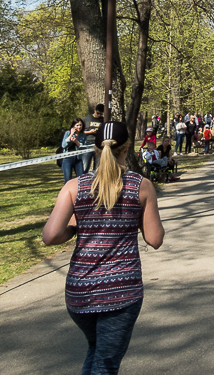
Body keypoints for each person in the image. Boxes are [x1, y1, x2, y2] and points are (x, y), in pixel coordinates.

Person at [42, 121, 164, 375]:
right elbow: (155, 239)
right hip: (121, 292)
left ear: (96, 149)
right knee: (105, 364)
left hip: (80, 291)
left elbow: (51, 235)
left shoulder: (74, 187)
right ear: (127, 147)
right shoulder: (140, 186)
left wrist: (77, 227)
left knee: (98, 353)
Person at [84, 104, 105, 172]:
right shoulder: (86, 119)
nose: (99, 115)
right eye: (98, 113)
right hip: (87, 145)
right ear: (94, 110)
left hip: (98, 145)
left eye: (101, 114)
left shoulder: (103, 120)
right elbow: (80, 132)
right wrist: (89, 132)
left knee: (98, 167)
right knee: (85, 166)